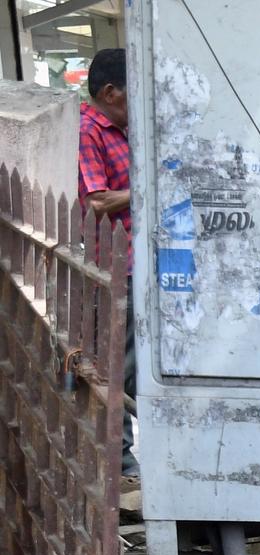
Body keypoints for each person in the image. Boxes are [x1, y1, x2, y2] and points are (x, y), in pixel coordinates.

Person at [78, 47, 136, 478]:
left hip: (141, 267)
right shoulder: (89, 131)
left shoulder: (123, 129)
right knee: (125, 368)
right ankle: (122, 466)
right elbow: (96, 202)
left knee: (128, 365)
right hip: (117, 270)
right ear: (111, 91)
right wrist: (148, 188)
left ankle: (126, 463)